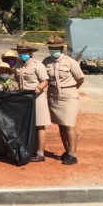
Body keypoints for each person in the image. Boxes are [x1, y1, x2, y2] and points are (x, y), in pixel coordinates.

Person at [43, 34, 84, 165]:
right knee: (61, 124)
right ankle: (67, 151)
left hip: (69, 95)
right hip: (53, 95)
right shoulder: (46, 62)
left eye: (56, 48)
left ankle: (73, 154)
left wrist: (72, 89)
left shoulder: (69, 62)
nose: (53, 50)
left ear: (61, 48)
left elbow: (80, 78)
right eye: (51, 48)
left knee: (69, 124)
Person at [15, 40, 50, 162]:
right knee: (26, 125)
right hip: (23, 99)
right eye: (20, 52)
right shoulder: (17, 65)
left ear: (30, 52)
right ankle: (29, 149)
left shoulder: (37, 65)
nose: (22, 54)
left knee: (39, 125)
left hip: (37, 97)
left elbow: (45, 80)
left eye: (24, 52)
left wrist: (39, 88)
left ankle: (40, 153)